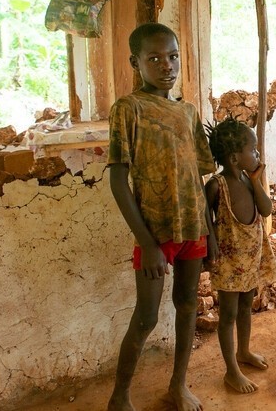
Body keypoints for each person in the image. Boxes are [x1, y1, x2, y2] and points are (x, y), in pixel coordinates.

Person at [107, 23, 215, 411]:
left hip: (193, 229)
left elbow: (198, 178)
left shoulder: (187, 111)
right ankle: (119, 397)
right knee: (146, 318)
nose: (166, 66)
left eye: (172, 56)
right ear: (136, 63)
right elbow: (118, 181)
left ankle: (178, 386)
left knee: (188, 305)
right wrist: (146, 243)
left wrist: (211, 233)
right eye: (154, 58)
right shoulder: (128, 108)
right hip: (155, 233)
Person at [204, 117, 276, 394]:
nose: (258, 155)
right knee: (228, 315)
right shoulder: (217, 185)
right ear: (236, 158)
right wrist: (210, 243)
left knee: (247, 306)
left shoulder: (249, 181)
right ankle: (231, 371)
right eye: (254, 150)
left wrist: (257, 180)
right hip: (229, 261)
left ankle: (244, 351)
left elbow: (267, 209)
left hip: (251, 257)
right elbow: (204, 216)